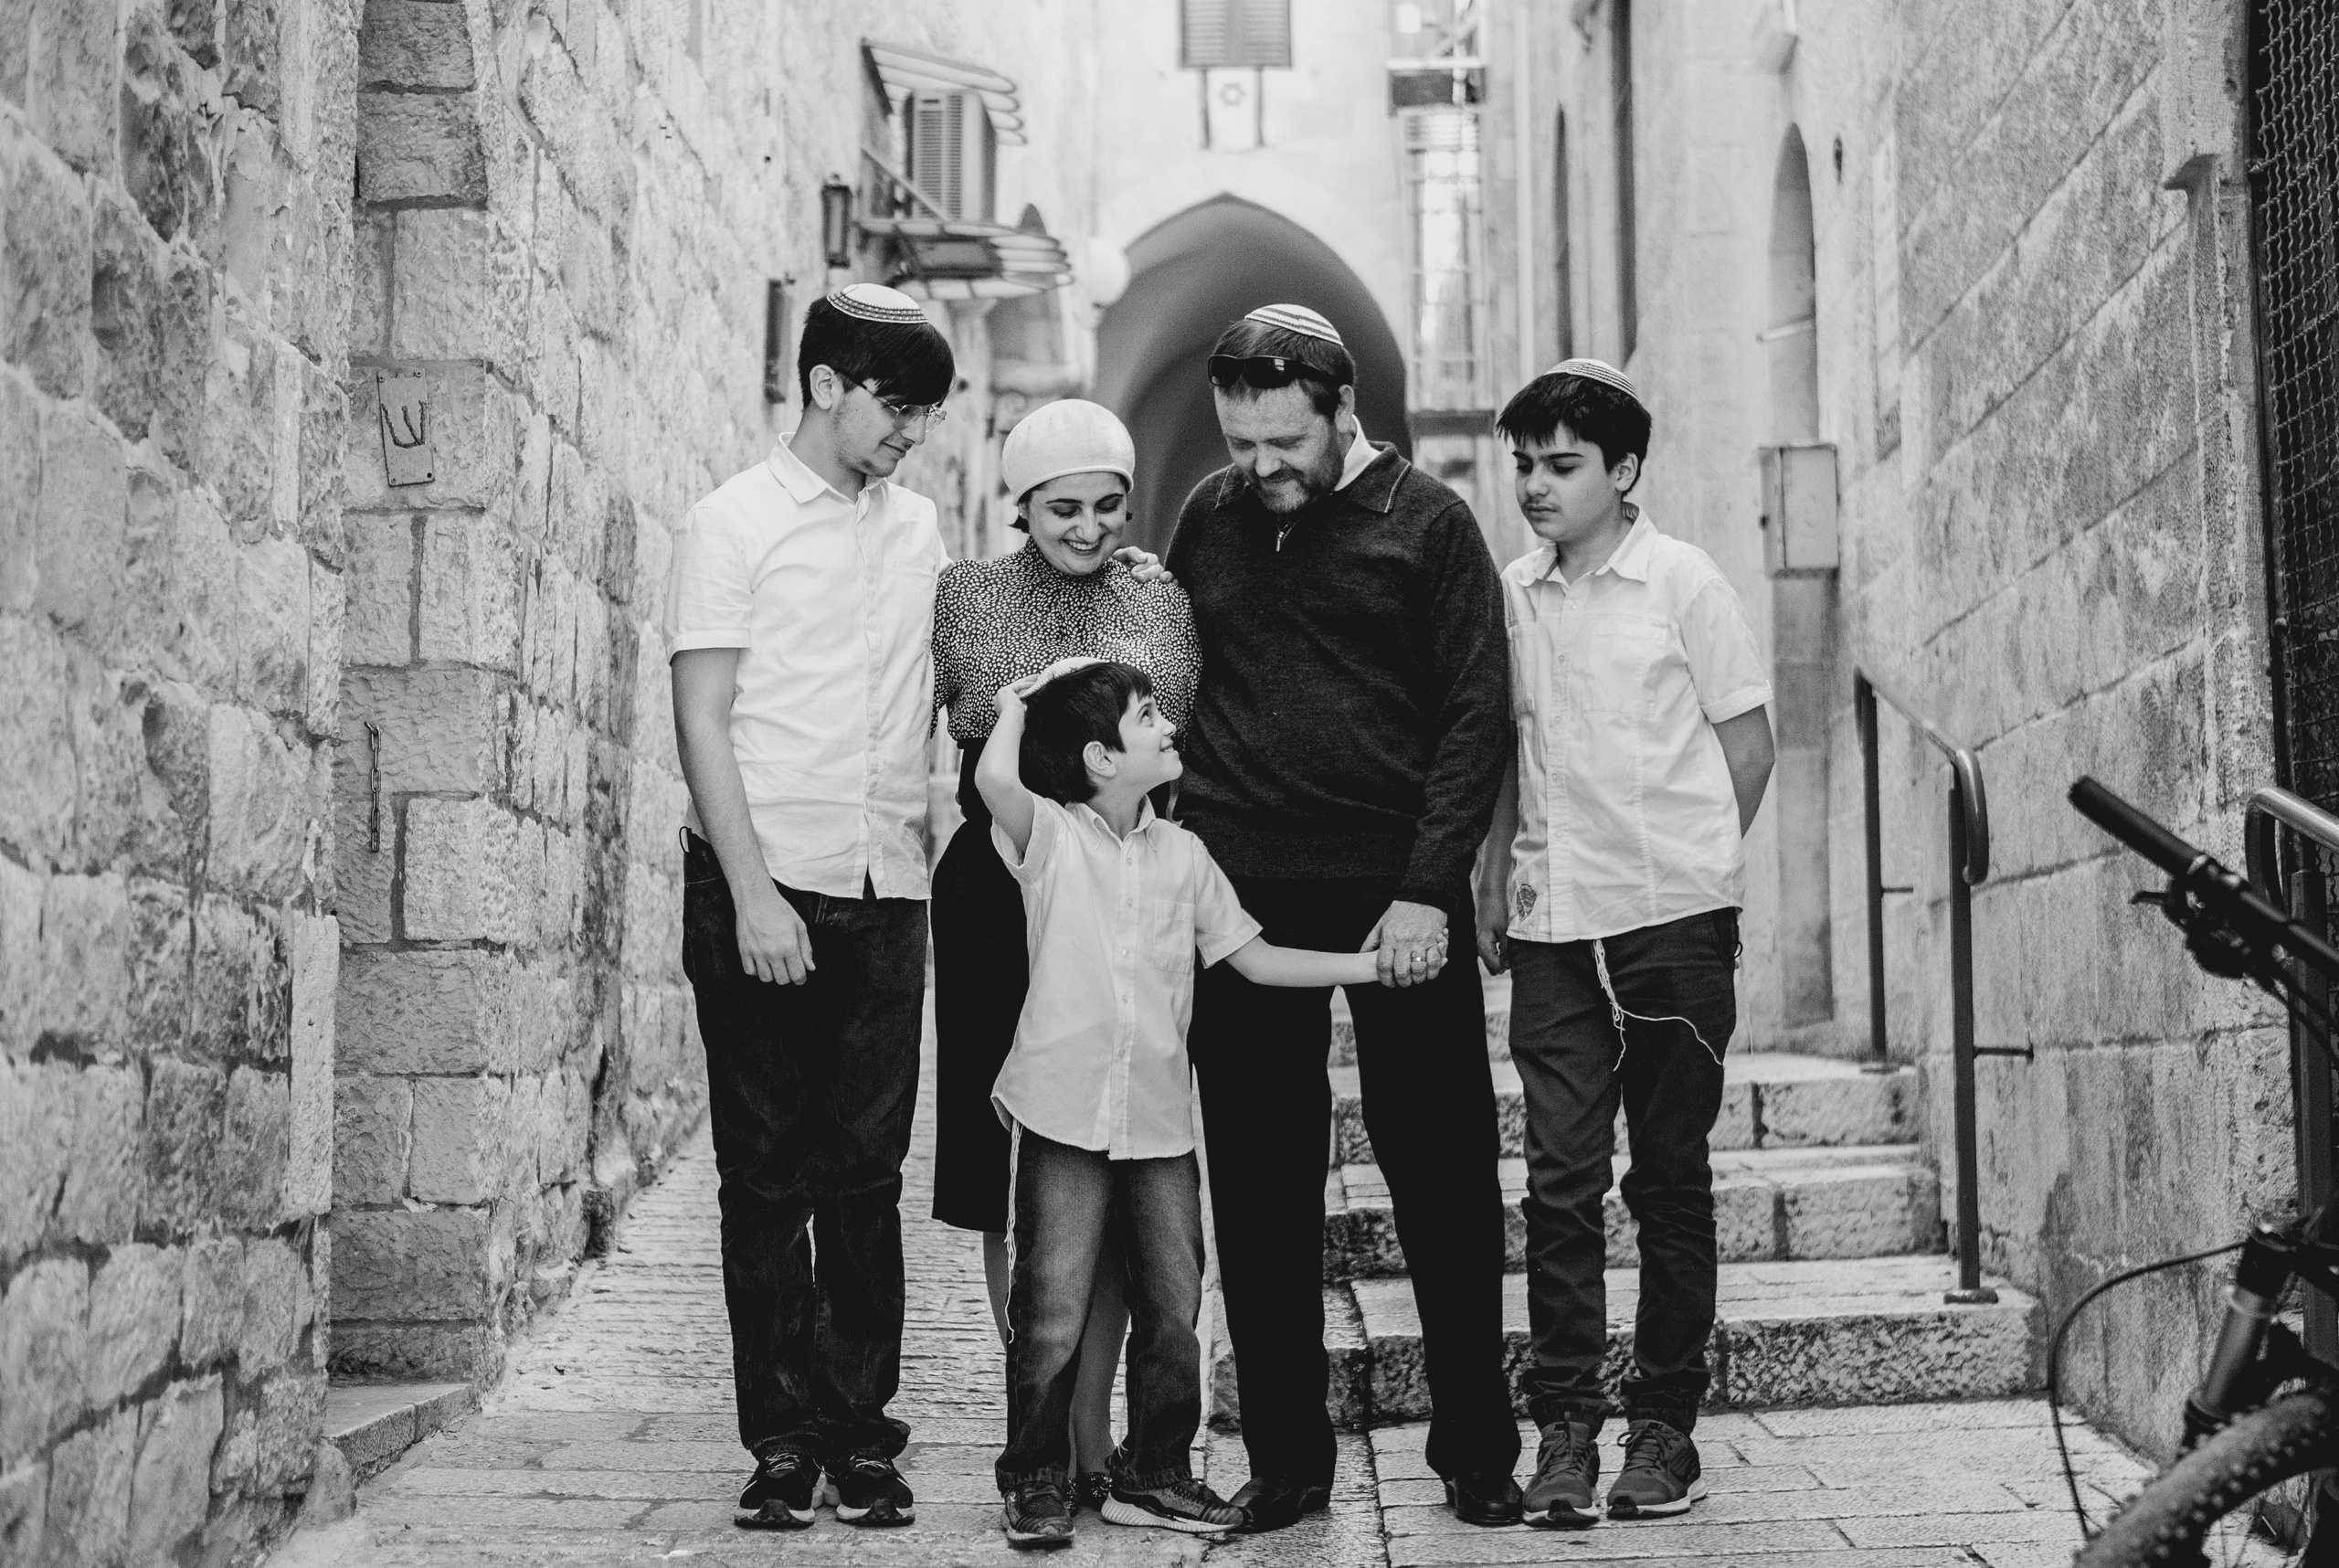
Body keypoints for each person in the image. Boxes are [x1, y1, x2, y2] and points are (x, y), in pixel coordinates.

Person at [1166, 303, 1521, 1530]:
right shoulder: (1212, 515)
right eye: (1241, 441)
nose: (1259, 467)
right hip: (1240, 894)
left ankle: (1478, 1445)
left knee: (1443, 1176)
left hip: (1392, 897)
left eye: (1283, 443)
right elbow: (1170, 676)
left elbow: (1477, 712)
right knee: (1261, 1191)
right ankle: (1286, 1463)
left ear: (1341, 411)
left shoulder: (1430, 525)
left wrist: (1431, 886)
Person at [976, 658, 1385, 1551]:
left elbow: (1257, 959)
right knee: (1050, 1311)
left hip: (1159, 1123)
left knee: (1173, 1307)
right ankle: (1036, 1478)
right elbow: (992, 775)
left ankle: (1153, 1473)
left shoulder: (1187, 857)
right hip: (1062, 1117)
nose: (1169, 727)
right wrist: (1022, 695)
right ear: (1097, 758)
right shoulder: (1050, 840)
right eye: (1147, 716)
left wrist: (1368, 968)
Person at [665, 283, 952, 1532]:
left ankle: (861, 1434)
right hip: (762, 889)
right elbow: (703, 720)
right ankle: (781, 1440)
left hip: (888, 887)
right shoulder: (730, 524)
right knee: (766, 1178)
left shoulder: (921, 530)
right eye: (898, 404)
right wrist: (752, 897)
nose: (913, 432)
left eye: (928, 413)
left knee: (868, 1177)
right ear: (827, 382)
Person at [1475, 360, 1775, 1528]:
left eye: (1559, 467)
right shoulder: (1513, 593)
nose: (1535, 488)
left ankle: (1663, 1430)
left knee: (1668, 1180)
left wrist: (1691, 876)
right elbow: (1504, 750)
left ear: (1624, 473)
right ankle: (1562, 1432)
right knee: (1559, 1182)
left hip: (1670, 927)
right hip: (1553, 925)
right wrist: (1494, 877)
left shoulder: (1682, 583)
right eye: (1523, 467)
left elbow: (1745, 745)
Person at [928, 399, 1200, 1512]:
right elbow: (980, 718)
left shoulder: (1160, 594)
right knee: (1013, 1163)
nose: (1085, 529)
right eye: (1061, 508)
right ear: (1019, 504)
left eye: (1105, 506)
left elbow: (1169, 706)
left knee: (1119, 1144)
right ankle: (1044, 1434)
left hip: (1121, 895)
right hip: (1004, 884)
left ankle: (1099, 1442)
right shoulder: (971, 592)